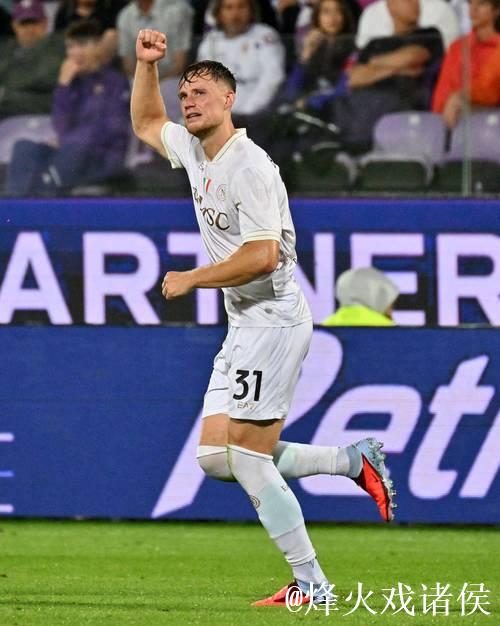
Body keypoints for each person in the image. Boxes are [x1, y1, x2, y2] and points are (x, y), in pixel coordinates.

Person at [131, 29, 396, 606]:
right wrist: (147, 66)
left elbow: (263, 256)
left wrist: (193, 277)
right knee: (215, 458)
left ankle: (315, 585)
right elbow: (148, 122)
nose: (188, 102)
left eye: (200, 93)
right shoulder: (196, 150)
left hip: (272, 321)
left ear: (229, 99)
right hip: (244, 323)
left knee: (248, 459)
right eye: (184, 95)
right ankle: (351, 460)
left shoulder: (247, 165)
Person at [6, 20, 130, 195]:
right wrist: (63, 85)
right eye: (71, 47)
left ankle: (42, 201)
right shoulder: (71, 82)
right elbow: (61, 126)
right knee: (23, 147)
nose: (75, 52)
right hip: (69, 154)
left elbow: (112, 128)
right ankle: (14, 208)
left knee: (72, 150)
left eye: (82, 45)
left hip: (102, 157)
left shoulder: (115, 81)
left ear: (97, 47)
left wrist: (69, 140)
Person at [330, 0, 444, 151]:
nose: (415, 4)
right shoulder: (375, 43)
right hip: (365, 104)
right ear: (391, 6)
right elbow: (353, 78)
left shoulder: (429, 34)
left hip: (405, 102)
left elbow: (413, 56)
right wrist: (396, 69)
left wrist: (373, 64)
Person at [196, 0, 285, 116]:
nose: (235, 13)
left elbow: (273, 77)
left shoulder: (265, 35)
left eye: (241, 7)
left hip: (258, 114)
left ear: (251, 11)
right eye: (229, 8)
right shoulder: (210, 42)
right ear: (219, 14)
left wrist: (247, 112)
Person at [432, 0, 500, 128]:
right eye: (470, 3)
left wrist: (461, 97)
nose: (473, 9)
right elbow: (441, 98)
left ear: (496, 11)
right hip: (454, 125)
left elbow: (490, 88)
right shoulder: (457, 48)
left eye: (482, 4)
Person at [0, 0, 64, 118]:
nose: (30, 29)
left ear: (45, 23)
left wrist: (6, 95)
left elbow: (56, 96)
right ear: (14, 25)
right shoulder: (4, 49)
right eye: (24, 24)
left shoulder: (58, 48)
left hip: (45, 120)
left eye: (34, 23)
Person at [356, 0, 459, 50]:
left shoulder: (440, 9)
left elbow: (447, 56)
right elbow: (362, 59)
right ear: (390, 7)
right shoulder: (371, 13)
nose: (415, 4)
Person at [322, 267, 399, 326]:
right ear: (377, 297)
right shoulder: (390, 330)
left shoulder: (326, 326)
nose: (391, 311)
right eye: (390, 304)